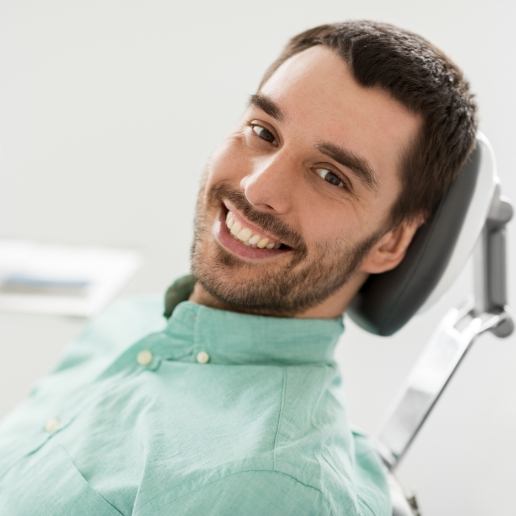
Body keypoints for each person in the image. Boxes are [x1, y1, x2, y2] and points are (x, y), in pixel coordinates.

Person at [0, 20, 477, 516]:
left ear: (392, 241)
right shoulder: (131, 322)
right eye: (263, 132)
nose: (257, 188)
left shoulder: (273, 488)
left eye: (331, 176)